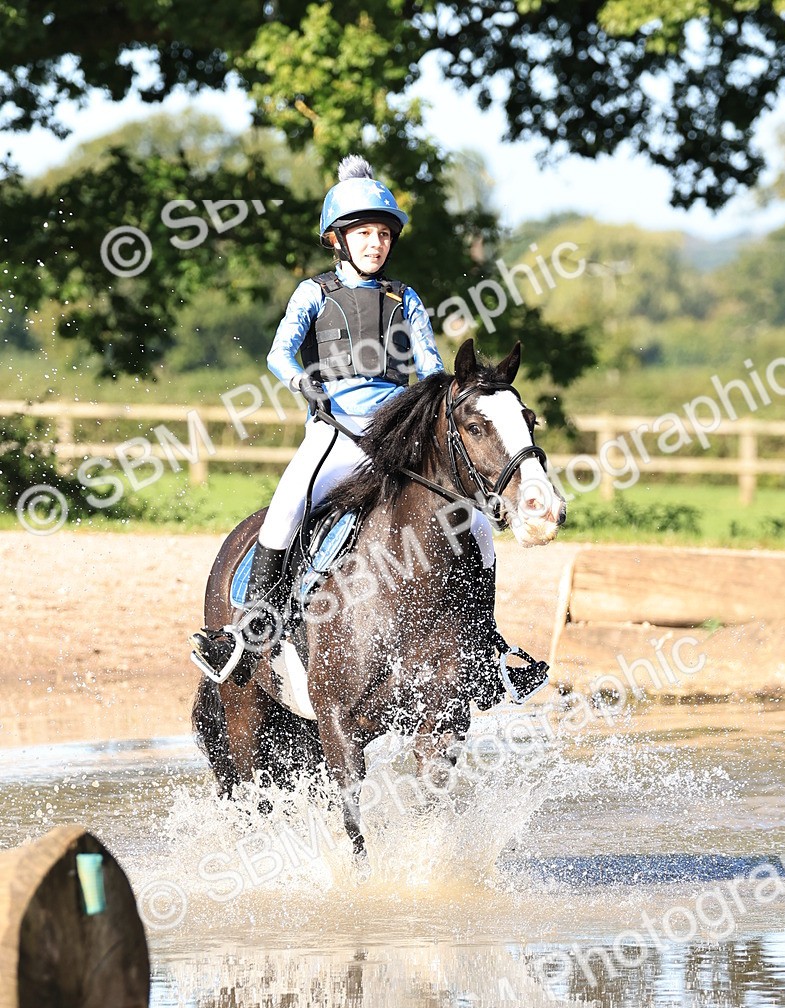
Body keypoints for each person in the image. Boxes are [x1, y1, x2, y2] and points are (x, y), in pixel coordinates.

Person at [190, 156, 548, 705]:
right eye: (364, 233)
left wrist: (458, 394)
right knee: (287, 505)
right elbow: (279, 353)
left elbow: (430, 366)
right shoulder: (314, 294)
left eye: (383, 234)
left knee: (474, 523)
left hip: (395, 435)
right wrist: (304, 384)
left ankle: (486, 649)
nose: (375, 243)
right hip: (335, 431)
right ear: (338, 239)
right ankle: (247, 631)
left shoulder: (405, 299)